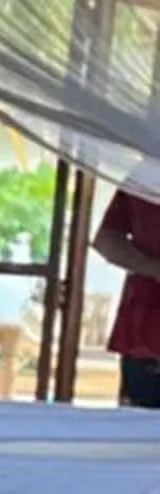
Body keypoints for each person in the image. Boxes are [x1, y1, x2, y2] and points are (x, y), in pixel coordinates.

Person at [92, 163, 160, 406]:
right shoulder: (146, 173)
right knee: (138, 421)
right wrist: (151, 267)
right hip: (147, 333)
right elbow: (105, 240)